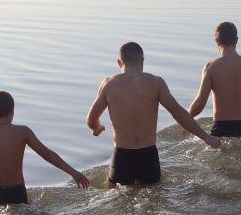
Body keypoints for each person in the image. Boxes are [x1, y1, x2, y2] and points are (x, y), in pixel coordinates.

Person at [86, 42, 220, 187]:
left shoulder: (109, 84)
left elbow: (91, 118)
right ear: (142, 61)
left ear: (120, 63)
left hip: (122, 156)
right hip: (148, 156)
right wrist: (206, 137)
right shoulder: (156, 83)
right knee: (153, 197)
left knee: (114, 193)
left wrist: (96, 128)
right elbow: (178, 113)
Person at [187, 22, 241, 138]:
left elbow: (200, 103)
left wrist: (186, 119)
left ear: (217, 41)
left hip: (222, 127)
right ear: (236, 40)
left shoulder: (211, 67)